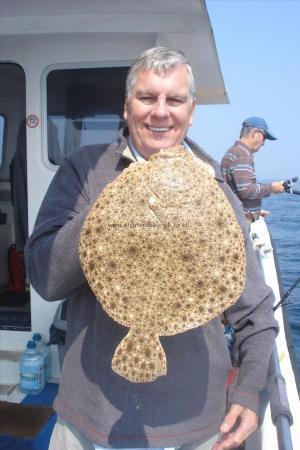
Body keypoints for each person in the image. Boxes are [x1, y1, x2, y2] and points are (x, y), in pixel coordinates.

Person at [24, 47, 278, 450]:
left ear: (191, 111)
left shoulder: (217, 191)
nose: (161, 111)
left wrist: (249, 391)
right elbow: (46, 279)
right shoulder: (84, 170)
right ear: (127, 107)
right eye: (147, 97)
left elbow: (254, 309)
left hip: (198, 427)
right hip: (88, 423)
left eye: (174, 100)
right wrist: (116, 203)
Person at [221, 117, 285, 222]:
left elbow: (237, 189)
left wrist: (255, 211)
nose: (264, 142)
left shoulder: (235, 152)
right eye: (264, 137)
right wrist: (272, 188)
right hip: (240, 221)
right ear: (255, 133)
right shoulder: (242, 155)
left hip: (237, 216)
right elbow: (246, 190)